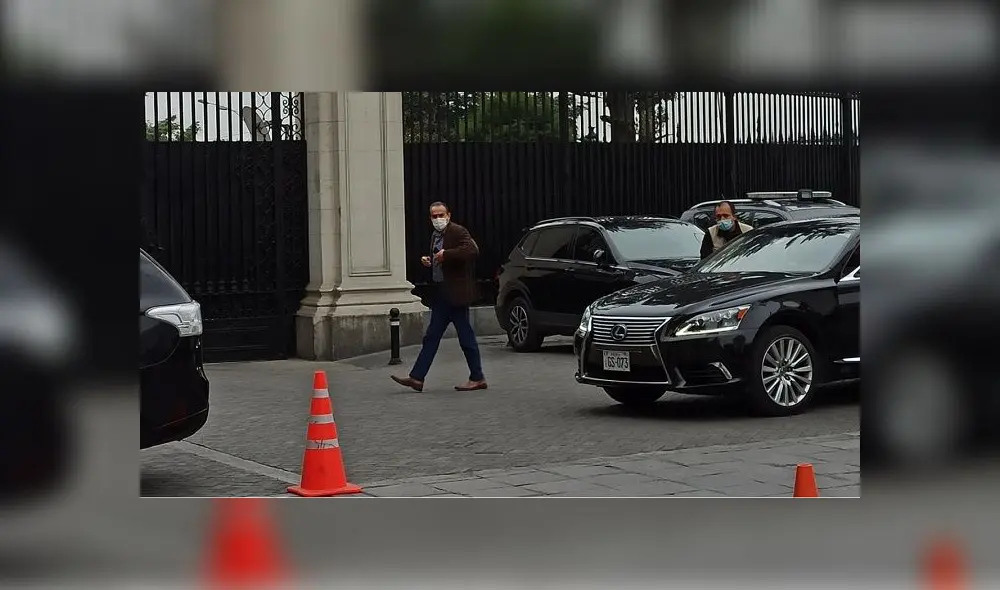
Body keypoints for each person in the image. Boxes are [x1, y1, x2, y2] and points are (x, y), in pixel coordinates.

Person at [391, 202, 487, 392]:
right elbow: (440, 257)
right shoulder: (436, 235)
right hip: (443, 293)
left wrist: (447, 254)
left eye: (440, 215)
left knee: (464, 336)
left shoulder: (458, 231)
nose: (437, 219)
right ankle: (417, 378)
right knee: (432, 336)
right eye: (434, 216)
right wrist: (430, 260)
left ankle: (477, 377)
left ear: (448, 215)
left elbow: (472, 250)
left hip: (456, 294)